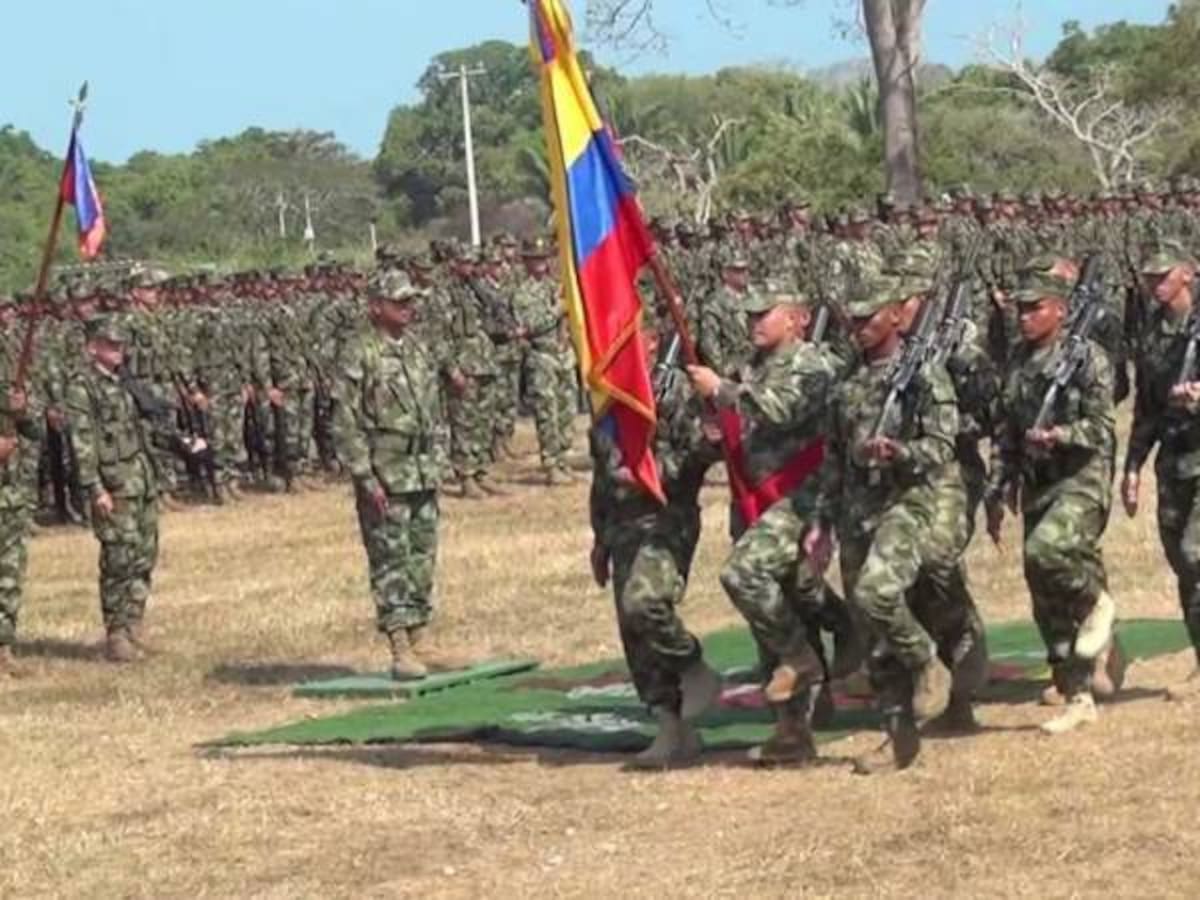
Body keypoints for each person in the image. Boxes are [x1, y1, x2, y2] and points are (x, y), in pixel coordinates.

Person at [688, 281, 861, 765]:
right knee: (782, 605)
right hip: (754, 498)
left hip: (800, 496)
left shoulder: (814, 365)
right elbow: (736, 425)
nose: (754, 322)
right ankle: (792, 729)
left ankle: (810, 653)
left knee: (743, 574)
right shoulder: (749, 367)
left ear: (797, 319)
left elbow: (779, 409)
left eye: (765, 313)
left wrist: (722, 390)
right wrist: (712, 432)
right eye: (750, 314)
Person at [806, 272, 958, 774]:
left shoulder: (924, 375)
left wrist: (900, 452)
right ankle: (897, 737)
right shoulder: (846, 381)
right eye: (852, 319)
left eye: (868, 317)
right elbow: (832, 458)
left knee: (877, 592)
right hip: (856, 513)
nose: (858, 327)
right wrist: (821, 523)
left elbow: (942, 446)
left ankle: (926, 659)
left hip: (906, 503)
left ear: (895, 316)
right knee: (871, 631)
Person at [985, 257, 1120, 734]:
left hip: (1081, 477)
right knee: (1043, 593)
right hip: (1038, 483)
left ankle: (1099, 601)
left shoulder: (1088, 358)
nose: (1024, 317)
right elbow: (1006, 428)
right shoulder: (1016, 360)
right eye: (1020, 309)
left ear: (1060, 310)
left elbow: (1101, 428)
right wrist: (998, 485)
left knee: (1047, 551)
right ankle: (1077, 693)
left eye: (1034, 308)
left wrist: (1060, 435)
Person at [590, 325, 722, 769]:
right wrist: (600, 537)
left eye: (631, 336)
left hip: (667, 516)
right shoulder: (608, 394)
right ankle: (671, 727)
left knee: (644, 602)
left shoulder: (678, 391)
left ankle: (691, 663)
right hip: (622, 523)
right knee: (634, 630)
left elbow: (698, 456)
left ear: (650, 341)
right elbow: (601, 472)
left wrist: (650, 472)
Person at [333, 270, 445, 680]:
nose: (408, 308)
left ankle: (421, 636)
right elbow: (345, 421)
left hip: (422, 470)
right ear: (376, 306)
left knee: (422, 555)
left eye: (411, 301)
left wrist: (439, 458)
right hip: (386, 472)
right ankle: (399, 645)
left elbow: (432, 409)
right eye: (399, 302)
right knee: (390, 558)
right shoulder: (359, 352)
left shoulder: (416, 348)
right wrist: (366, 477)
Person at [1122, 245, 1200, 701]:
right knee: (1183, 566)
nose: (1155, 284)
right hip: (1173, 460)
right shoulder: (1152, 332)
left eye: (1163, 275)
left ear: (1188, 273)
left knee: (1196, 554)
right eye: (1150, 277)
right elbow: (1147, 407)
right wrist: (1133, 466)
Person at [66, 316, 164, 663]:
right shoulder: (83, 388)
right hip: (114, 484)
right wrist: (95, 489)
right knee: (117, 560)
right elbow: (82, 444)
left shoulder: (125, 382)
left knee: (144, 554)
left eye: (121, 344)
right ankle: (116, 633)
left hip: (141, 479)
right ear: (92, 347)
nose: (118, 350)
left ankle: (134, 623)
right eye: (110, 344)